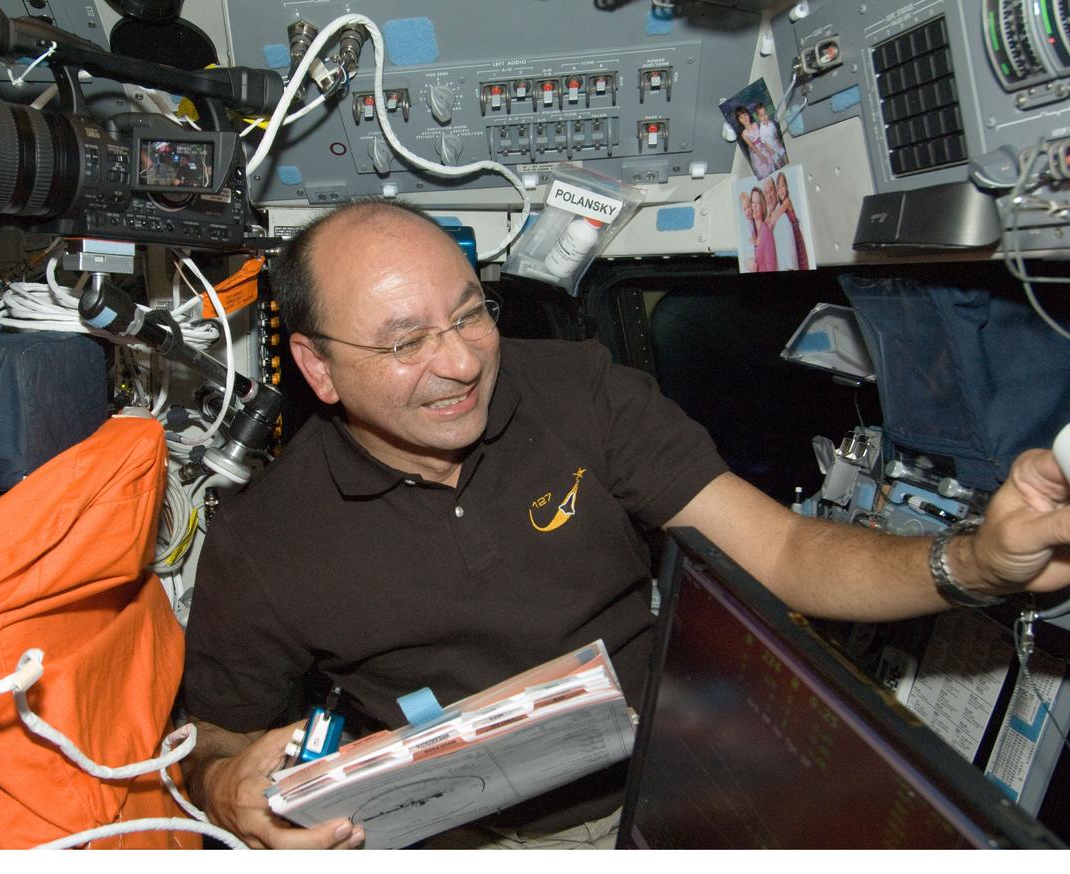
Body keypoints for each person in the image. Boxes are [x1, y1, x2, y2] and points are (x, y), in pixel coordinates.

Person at [181, 200, 1070, 850]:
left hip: (692, 771)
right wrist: (229, 788)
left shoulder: (578, 390)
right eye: (406, 342)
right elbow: (212, 739)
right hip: (485, 838)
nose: (459, 364)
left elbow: (785, 550)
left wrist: (976, 565)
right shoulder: (264, 541)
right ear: (318, 367)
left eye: (468, 314)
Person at [774, 171, 810, 270]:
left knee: (801, 265)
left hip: (796, 237)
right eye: (778, 187)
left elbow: (775, 215)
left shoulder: (787, 202)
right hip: (792, 237)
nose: (781, 190)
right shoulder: (781, 204)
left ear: (787, 187)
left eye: (782, 185)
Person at [763, 173, 797, 271]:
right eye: (765, 193)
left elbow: (791, 265)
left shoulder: (782, 220)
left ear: (776, 192)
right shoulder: (769, 220)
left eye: (770, 191)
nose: (768, 196)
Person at [736, 105, 775, 179]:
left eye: (745, 115)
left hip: (763, 146)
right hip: (756, 153)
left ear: (748, 115)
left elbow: (762, 138)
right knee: (763, 168)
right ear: (739, 121)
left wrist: (769, 148)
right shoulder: (744, 134)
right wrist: (761, 156)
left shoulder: (756, 124)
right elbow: (752, 147)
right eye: (741, 117)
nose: (744, 118)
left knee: (770, 161)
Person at [749, 186, 777, 273]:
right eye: (752, 202)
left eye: (757, 203)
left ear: (763, 207)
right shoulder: (753, 232)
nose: (754, 206)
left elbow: (771, 266)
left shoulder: (765, 232)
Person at [755, 102, 787, 170]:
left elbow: (775, 133)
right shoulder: (761, 130)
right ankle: (781, 169)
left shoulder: (771, 123)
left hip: (776, 144)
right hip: (771, 148)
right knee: (777, 161)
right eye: (761, 115)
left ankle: (787, 164)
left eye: (765, 114)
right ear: (759, 118)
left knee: (783, 152)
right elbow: (764, 142)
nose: (764, 117)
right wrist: (769, 150)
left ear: (767, 113)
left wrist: (778, 141)